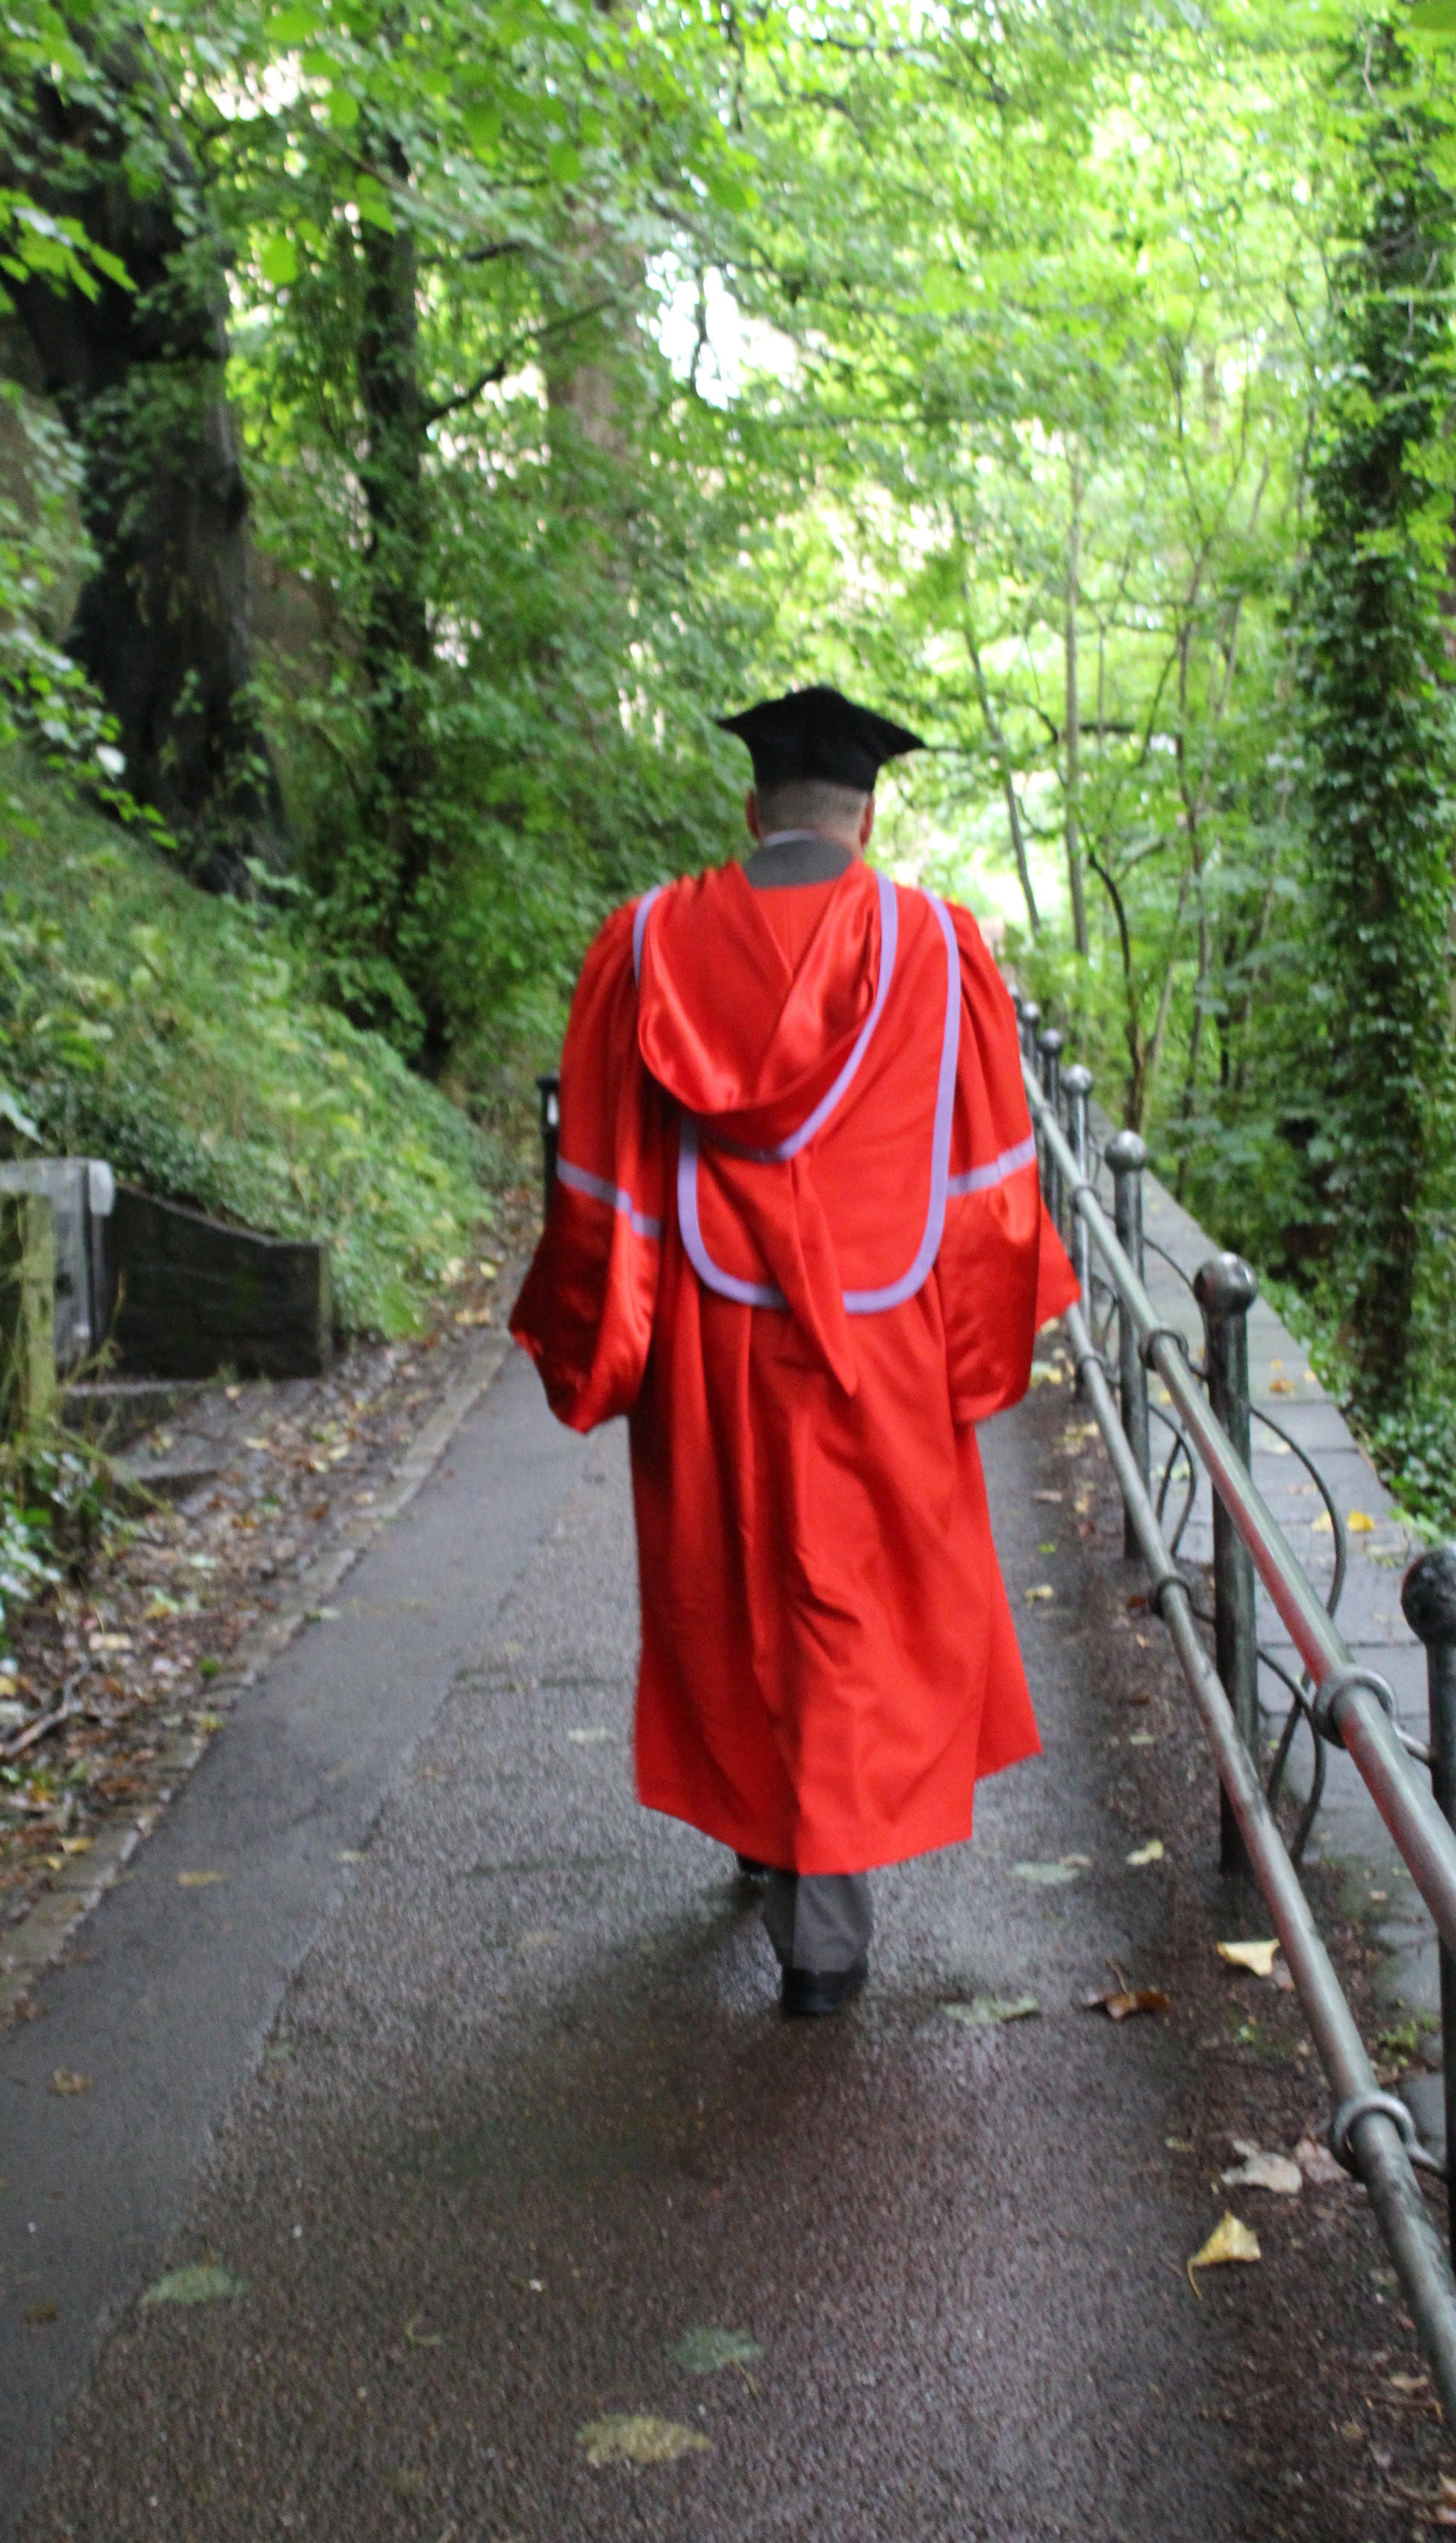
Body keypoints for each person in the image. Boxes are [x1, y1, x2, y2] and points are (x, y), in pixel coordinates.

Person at [511, 684, 1078, 2015]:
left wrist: (600, 1345)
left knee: (734, 1582)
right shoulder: (939, 947)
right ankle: (823, 1939)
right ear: (864, 817)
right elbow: (992, 1188)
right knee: (849, 1611)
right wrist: (977, 1357)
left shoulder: (646, 945)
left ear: (752, 806)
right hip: (883, 1345)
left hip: (709, 1337)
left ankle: (772, 1844)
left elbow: (597, 1181)